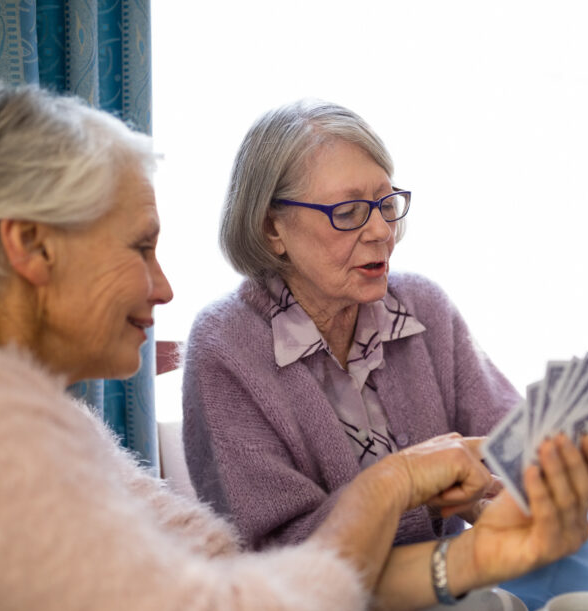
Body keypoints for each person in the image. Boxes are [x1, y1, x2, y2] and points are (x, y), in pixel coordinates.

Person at [0, 83, 588, 611]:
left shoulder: (37, 415)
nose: (163, 284)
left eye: (385, 202)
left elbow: (238, 584)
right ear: (29, 244)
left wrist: (480, 550)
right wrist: (395, 481)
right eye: (140, 246)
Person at [182, 100, 520, 549]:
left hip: (448, 610)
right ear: (271, 229)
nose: (382, 230)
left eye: (386, 203)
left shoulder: (423, 305)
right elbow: (277, 555)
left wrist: (546, 463)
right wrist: (425, 491)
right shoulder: (225, 349)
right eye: (348, 212)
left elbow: (510, 440)